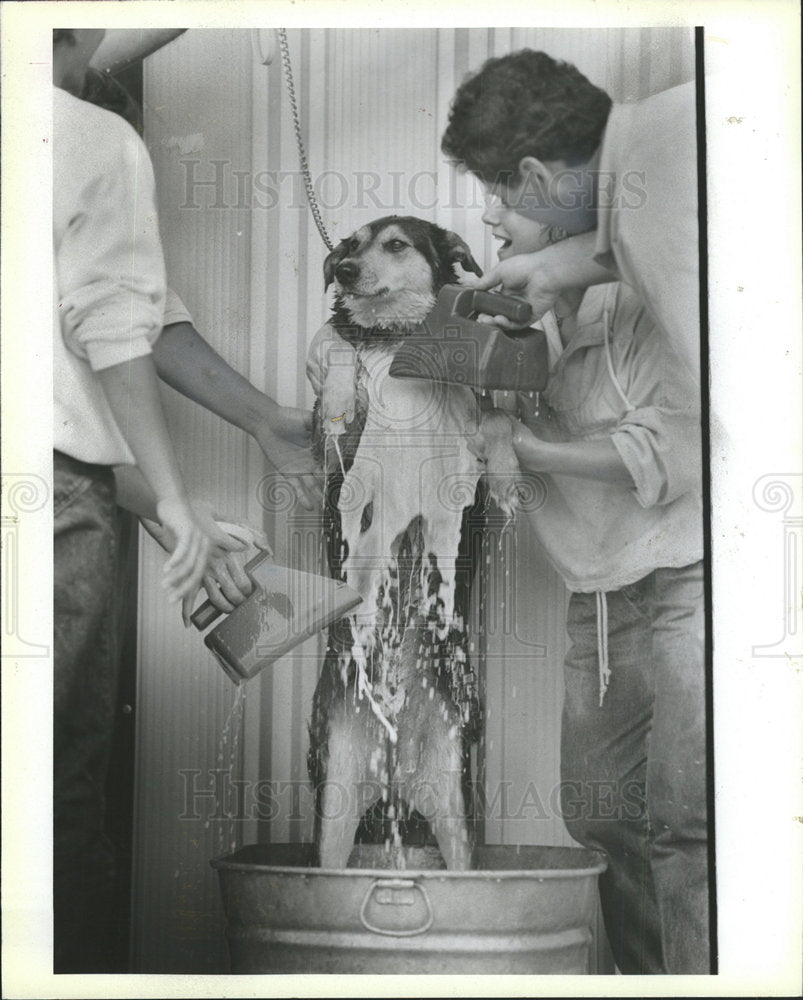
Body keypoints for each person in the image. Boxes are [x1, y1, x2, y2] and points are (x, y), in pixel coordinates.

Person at [445, 51, 709, 974]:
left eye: (495, 194)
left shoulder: (647, 270)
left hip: (687, 575)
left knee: (685, 819)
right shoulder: (529, 298)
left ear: (538, 178)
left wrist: (528, 449)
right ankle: (651, 979)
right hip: (596, 593)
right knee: (596, 814)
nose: (486, 217)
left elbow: (684, 445)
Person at [53, 28, 236, 971]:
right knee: (53, 790)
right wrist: (172, 492)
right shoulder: (84, 135)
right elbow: (118, 327)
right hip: (51, 506)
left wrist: (170, 511)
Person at [441, 49, 701, 385]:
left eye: (507, 198)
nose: (498, 213)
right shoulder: (674, 115)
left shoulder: (653, 219)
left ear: (537, 176)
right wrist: (546, 271)